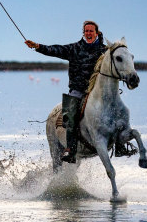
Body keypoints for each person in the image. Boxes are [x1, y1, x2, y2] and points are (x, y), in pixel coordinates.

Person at [25, 20, 106, 163]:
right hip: (78, 90)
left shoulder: (104, 51)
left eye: (91, 31)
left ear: (96, 33)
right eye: (86, 31)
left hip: (97, 92)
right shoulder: (74, 48)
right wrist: (37, 46)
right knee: (70, 116)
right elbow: (55, 50)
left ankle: (119, 145)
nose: (88, 33)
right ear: (83, 33)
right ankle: (70, 149)